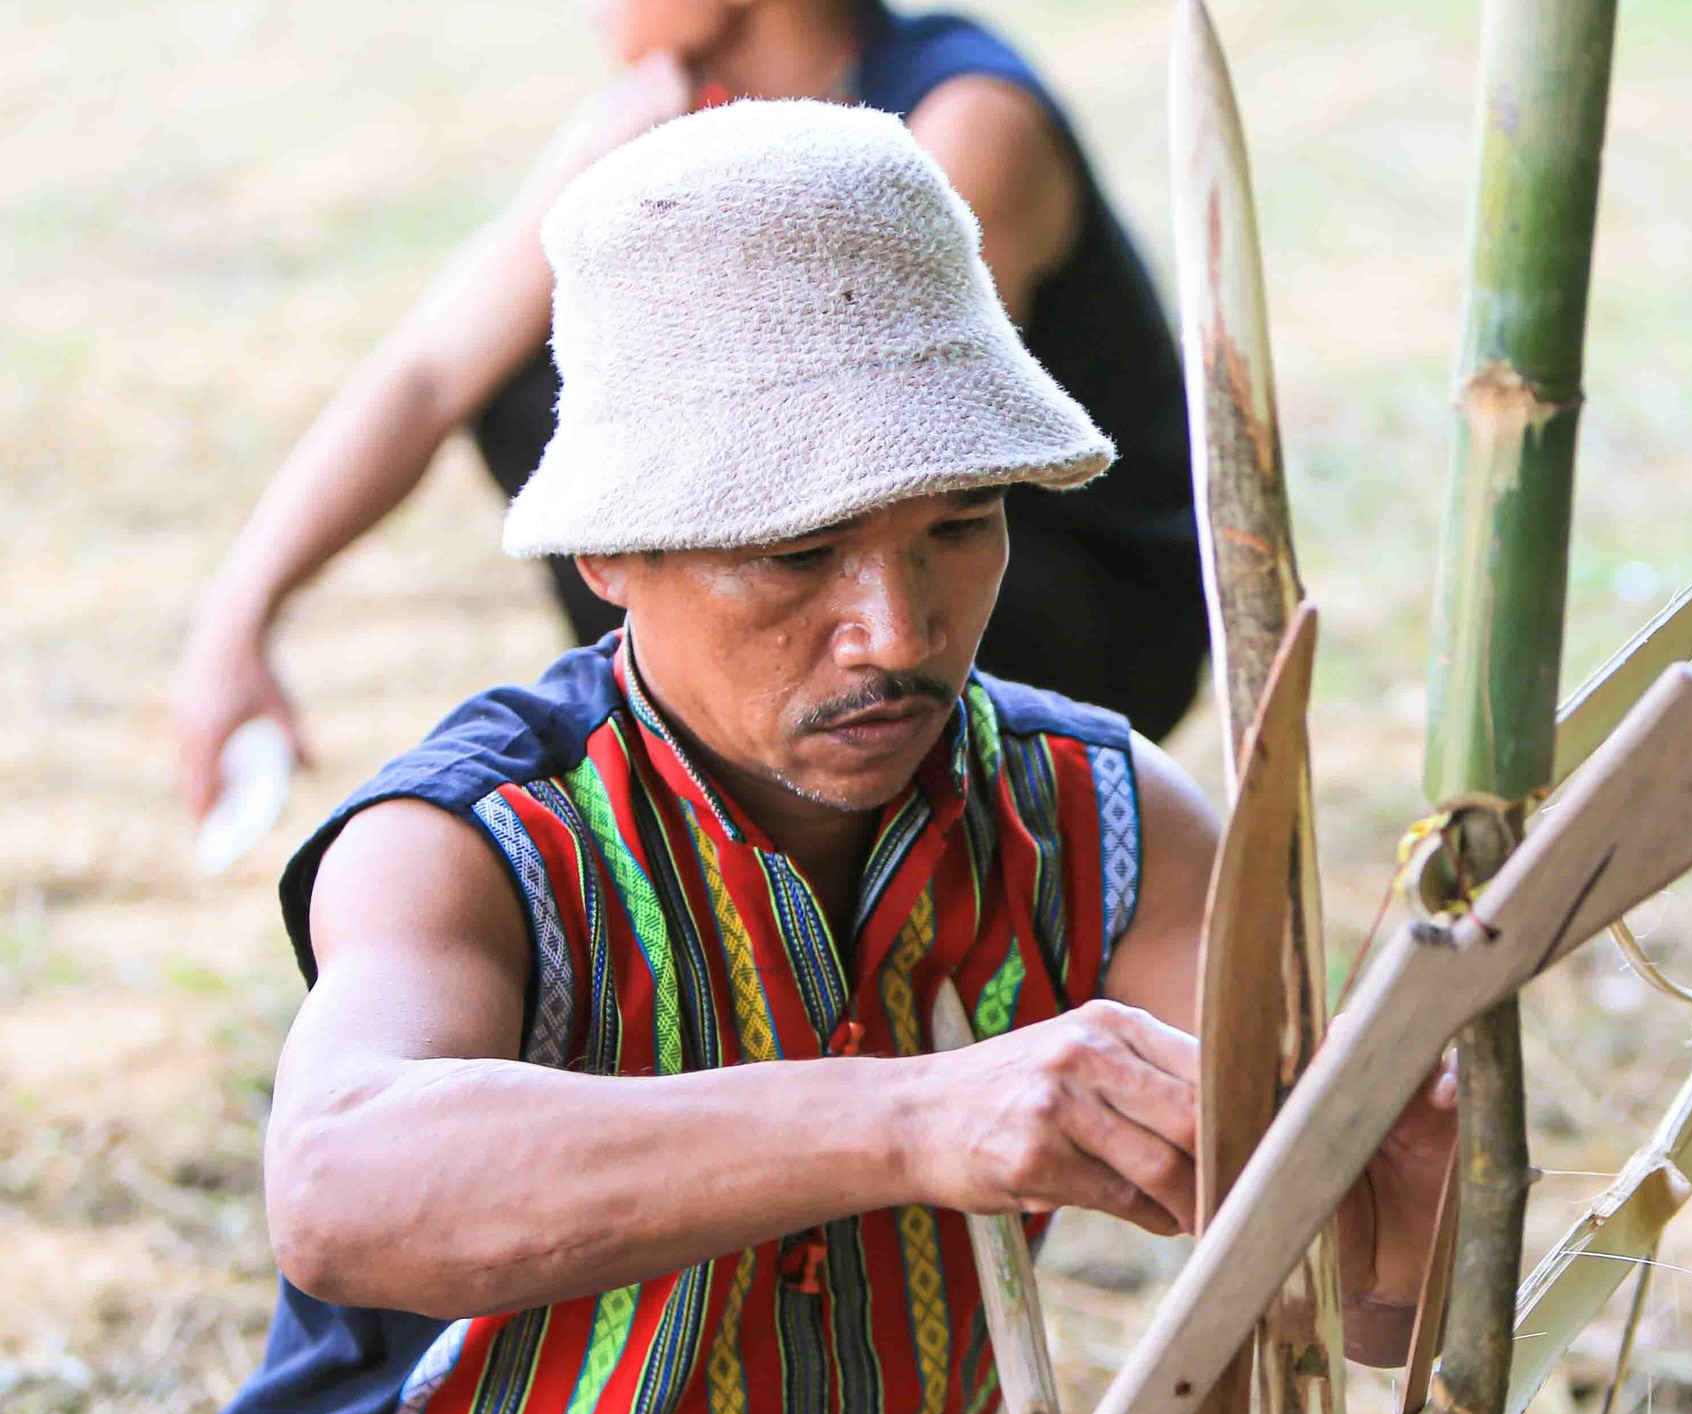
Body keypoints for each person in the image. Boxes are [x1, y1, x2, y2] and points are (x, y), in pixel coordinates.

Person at [152, 103, 1445, 1414]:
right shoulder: (471, 844)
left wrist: (1404, 1181)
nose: (899, 635)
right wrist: (909, 1115)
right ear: (611, 554)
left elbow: (1360, 1307)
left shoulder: (1101, 822)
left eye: (960, 526)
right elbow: (341, 1181)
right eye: (795, 553)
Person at [174, 0, 1211, 825]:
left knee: (664, 432)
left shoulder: (966, 117)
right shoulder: (658, 121)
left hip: (1065, 596)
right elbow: (433, 372)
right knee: (538, 380)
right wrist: (239, 617)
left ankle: (815, 809)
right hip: (857, 578)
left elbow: (850, 448)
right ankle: (710, 783)